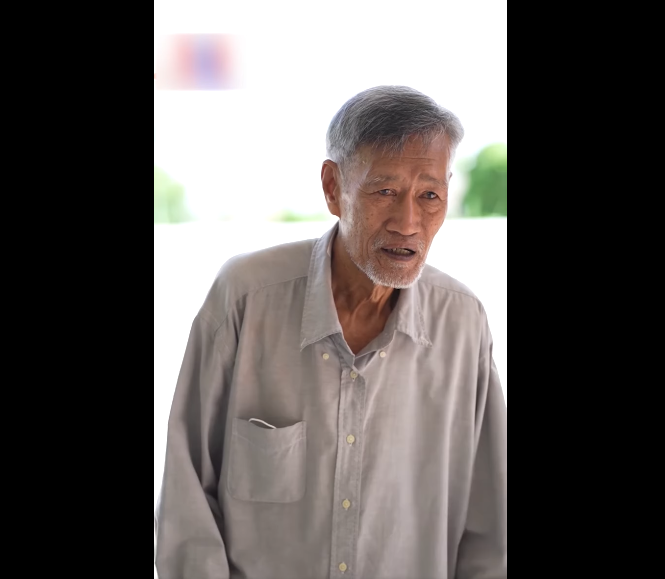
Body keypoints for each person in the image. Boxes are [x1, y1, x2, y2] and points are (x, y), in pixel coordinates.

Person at [155, 85, 507, 579]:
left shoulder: (463, 323)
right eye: (385, 191)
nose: (408, 222)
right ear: (332, 187)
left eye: (429, 195)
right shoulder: (245, 299)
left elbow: (491, 532)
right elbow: (187, 504)